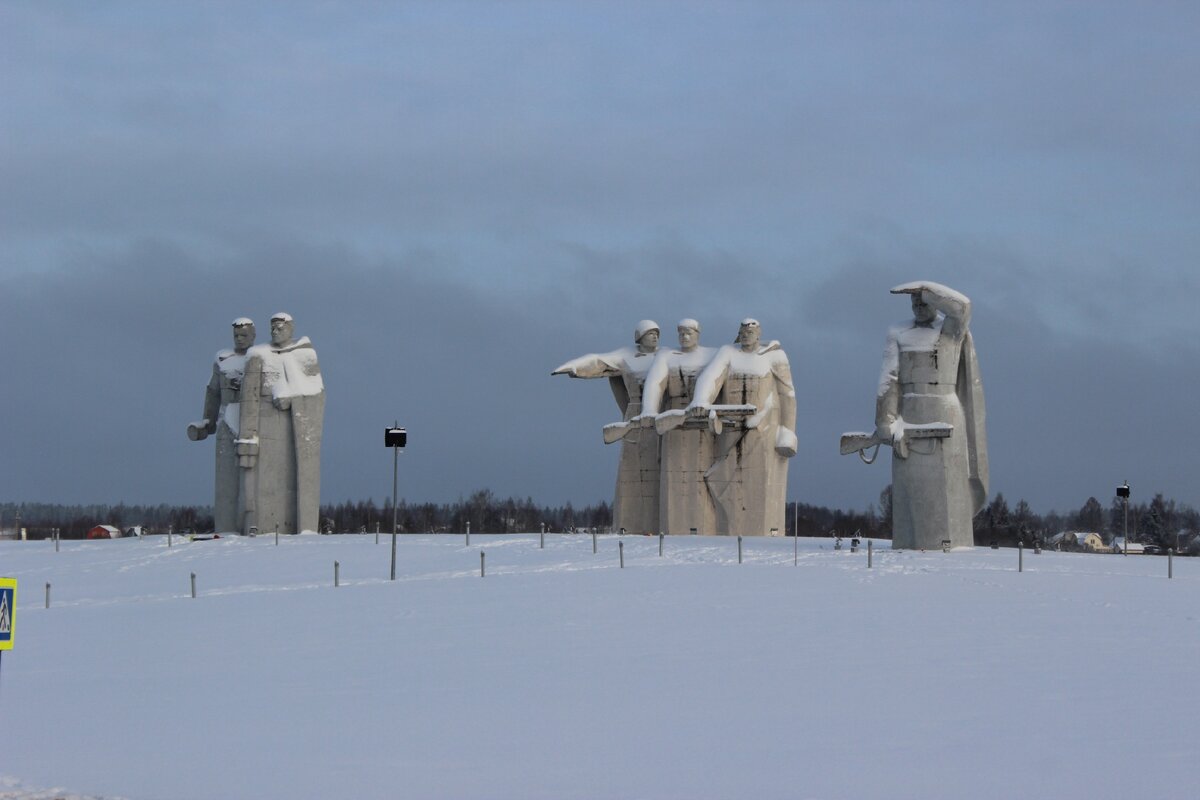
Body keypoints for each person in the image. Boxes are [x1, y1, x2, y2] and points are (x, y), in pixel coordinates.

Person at [875, 281, 988, 549]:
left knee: (948, 488)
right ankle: (908, 542)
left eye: (923, 301)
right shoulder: (898, 333)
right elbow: (889, 380)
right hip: (909, 413)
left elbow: (963, 307)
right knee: (910, 490)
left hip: (946, 410)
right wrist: (885, 422)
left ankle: (950, 542)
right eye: (914, 301)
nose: (918, 306)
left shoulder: (950, 330)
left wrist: (927, 289)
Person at [687, 319, 796, 536]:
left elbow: (787, 394)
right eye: (743, 331)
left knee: (758, 488)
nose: (746, 334)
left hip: (762, 432)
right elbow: (711, 377)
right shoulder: (728, 353)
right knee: (722, 481)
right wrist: (700, 400)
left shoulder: (774, 356)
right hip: (730, 429)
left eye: (751, 331)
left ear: (758, 334)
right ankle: (727, 530)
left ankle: (762, 533)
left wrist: (788, 431)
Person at [552, 320, 661, 534]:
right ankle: (628, 526)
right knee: (631, 473)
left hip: (658, 416)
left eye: (657, 334)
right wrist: (575, 368)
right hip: (634, 415)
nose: (655, 337)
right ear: (639, 337)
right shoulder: (626, 356)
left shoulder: (666, 356)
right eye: (650, 334)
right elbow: (599, 362)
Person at [237, 312, 325, 535]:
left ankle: (301, 528)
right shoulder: (258, 355)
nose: (276, 332)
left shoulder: (305, 355)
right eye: (273, 329)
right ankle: (261, 527)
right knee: (262, 486)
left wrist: (293, 397)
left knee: (292, 482)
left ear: (291, 328)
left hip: (293, 431)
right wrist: (248, 435)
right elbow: (249, 398)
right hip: (264, 428)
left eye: (281, 328)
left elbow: (316, 392)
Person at [637, 319, 717, 535]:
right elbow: (655, 383)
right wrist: (649, 410)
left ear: (698, 333)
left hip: (701, 427)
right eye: (680, 332)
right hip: (672, 424)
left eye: (688, 332)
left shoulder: (712, 355)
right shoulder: (666, 356)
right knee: (672, 484)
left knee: (701, 481)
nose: (684, 336)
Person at [187, 318, 255, 533]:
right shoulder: (222, 359)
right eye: (236, 335)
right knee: (226, 483)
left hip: (250, 424)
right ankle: (225, 529)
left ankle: (251, 526)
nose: (240, 339)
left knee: (250, 483)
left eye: (244, 335)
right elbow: (213, 392)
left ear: (253, 336)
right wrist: (207, 421)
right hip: (226, 421)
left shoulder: (259, 358)